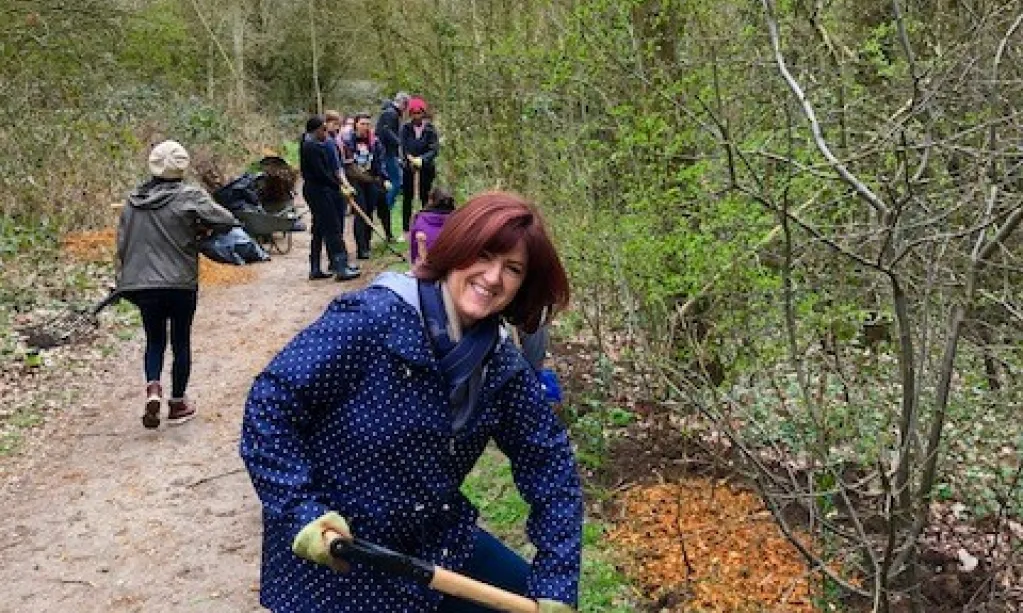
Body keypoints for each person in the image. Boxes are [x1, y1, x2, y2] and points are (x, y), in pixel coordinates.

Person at [241, 191, 582, 613]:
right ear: (457, 247)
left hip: (431, 542)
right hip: (338, 555)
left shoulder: (499, 365)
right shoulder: (372, 320)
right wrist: (301, 510)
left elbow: (550, 466)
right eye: (485, 254)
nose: (493, 277)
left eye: (512, 269)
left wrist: (557, 581)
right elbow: (270, 404)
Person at [116, 140, 238, 429]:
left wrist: (125, 278)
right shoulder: (190, 197)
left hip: (143, 283)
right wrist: (201, 231)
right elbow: (227, 219)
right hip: (181, 282)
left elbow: (122, 244)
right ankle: (178, 401)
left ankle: (153, 388)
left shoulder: (133, 201)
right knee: (181, 340)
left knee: (154, 339)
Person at [301, 115, 361, 281]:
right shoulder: (311, 146)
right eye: (323, 130)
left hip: (320, 189)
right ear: (316, 130)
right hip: (319, 190)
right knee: (332, 227)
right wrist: (339, 186)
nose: (326, 133)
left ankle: (316, 267)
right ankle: (340, 267)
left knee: (320, 228)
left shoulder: (314, 143)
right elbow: (322, 173)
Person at [342, 112, 392, 259]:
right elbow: (347, 164)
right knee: (360, 212)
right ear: (356, 124)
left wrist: (384, 178)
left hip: (371, 180)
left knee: (369, 211)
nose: (365, 127)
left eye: (367, 124)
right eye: (362, 124)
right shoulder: (348, 141)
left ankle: (367, 244)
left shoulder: (374, 141)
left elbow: (380, 161)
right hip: (355, 181)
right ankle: (361, 248)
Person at [400, 97, 441, 240]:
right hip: (409, 168)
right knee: (407, 198)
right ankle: (406, 229)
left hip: (426, 169)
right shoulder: (405, 128)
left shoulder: (430, 129)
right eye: (414, 113)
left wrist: (422, 160)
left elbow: (434, 149)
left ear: (423, 113)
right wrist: (410, 159)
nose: (416, 116)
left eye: (419, 113)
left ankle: (425, 227)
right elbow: (403, 146)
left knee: (425, 197)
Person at [376, 91, 410, 215]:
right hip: (388, 152)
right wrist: (399, 142)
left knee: (391, 181)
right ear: (403, 103)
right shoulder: (391, 113)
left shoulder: (390, 112)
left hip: (388, 152)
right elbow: (386, 132)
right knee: (396, 182)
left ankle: (385, 206)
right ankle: (385, 207)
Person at [409, 185, 455, 265]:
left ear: (431, 200)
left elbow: (414, 250)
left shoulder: (419, 219)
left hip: (425, 266)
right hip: (451, 266)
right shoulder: (458, 220)